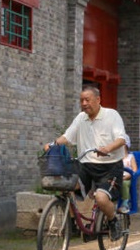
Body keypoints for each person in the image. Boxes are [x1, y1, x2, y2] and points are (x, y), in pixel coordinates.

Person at [46, 85, 129, 239]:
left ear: (98, 100)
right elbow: (67, 137)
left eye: (87, 100)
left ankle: (113, 221)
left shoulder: (112, 115)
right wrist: (52, 145)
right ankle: (73, 224)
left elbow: (122, 138)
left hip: (110, 167)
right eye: (81, 100)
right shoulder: (80, 118)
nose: (84, 103)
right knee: (67, 185)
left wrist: (108, 148)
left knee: (101, 198)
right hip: (86, 165)